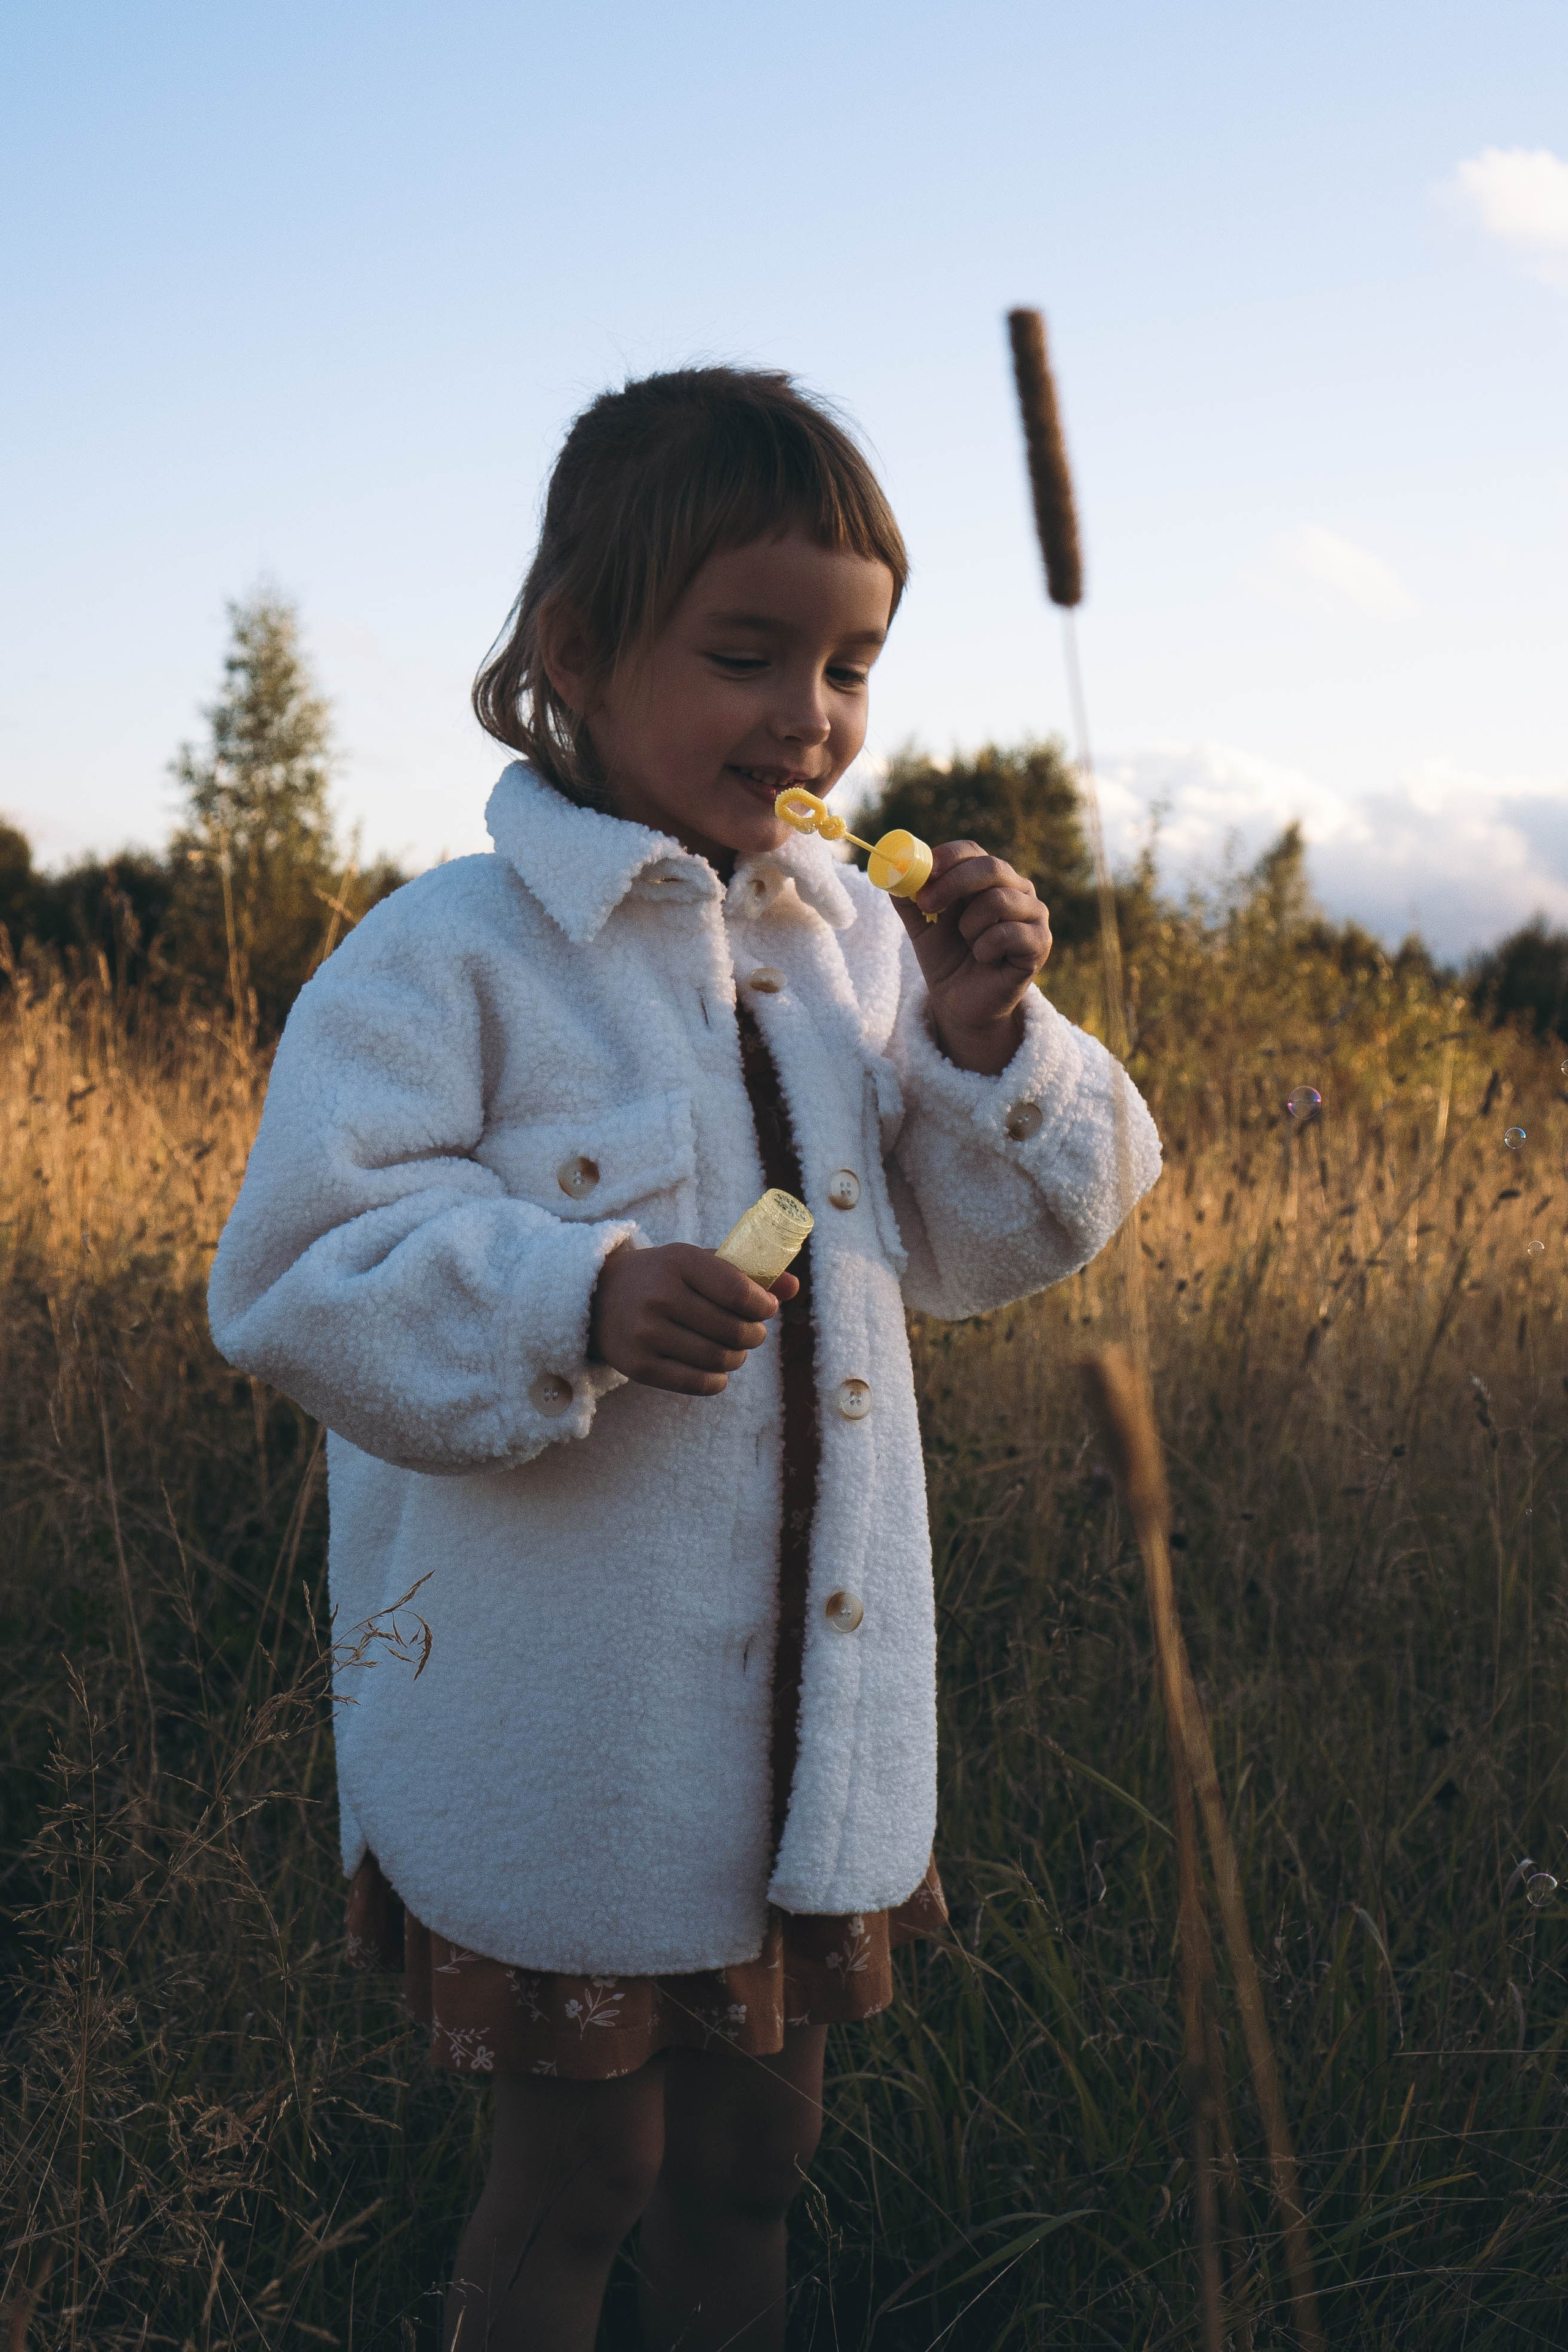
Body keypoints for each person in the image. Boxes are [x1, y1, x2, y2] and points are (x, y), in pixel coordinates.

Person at [208, 366, 1161, 2352]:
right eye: (748, 655)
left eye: (852, 665)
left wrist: (988, 1048)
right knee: (586, 2177)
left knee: (756, 2156)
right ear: (576, 649)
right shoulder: (451, 955)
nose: (810, 718)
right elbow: (300, 1271)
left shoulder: (851, 952)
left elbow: (985, 1243)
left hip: (805, 1736)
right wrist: (574, 1297)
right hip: (573, 1746)